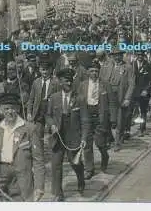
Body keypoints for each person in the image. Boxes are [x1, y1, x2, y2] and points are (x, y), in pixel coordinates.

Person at [0, 93, 45, 202]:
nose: (9, 111)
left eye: (12, 108)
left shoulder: (30, 129)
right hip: (0, 174)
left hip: (21, 178)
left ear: (17, 109)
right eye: (6, 108)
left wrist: (39, 187)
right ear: (0, 110)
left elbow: (39, 161)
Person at [46, 68, 89, 201]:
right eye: (66, 81)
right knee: (56, 165)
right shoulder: (54, 98)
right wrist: (52, 124)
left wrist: (84, 138)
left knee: (74, 163)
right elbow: (48, 115)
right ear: (60, 82)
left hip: (73, 136)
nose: (69, 84)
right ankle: (59, 193)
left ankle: (80, 178)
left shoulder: (80, 98)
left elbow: (85, 120)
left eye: (70, 81)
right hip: (57, 136)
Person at [78, 59, 111, 179]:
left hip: (100, 115)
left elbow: (111, 102)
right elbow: (79, 101)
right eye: (91, 71)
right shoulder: (83, 85)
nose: (94, 73)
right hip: (87, 115)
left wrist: (111, 119)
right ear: (87, 72)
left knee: (100, 142)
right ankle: (89, 169)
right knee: (87, 143)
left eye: (96, 71)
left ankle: (105, 155)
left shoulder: (105, 84)